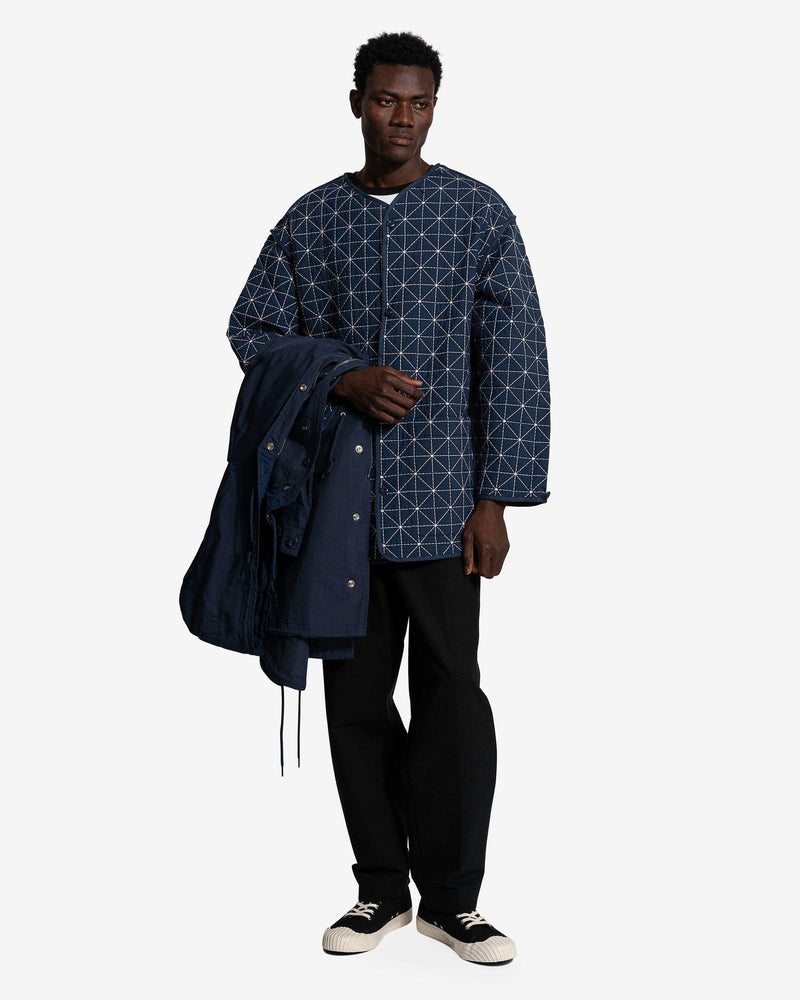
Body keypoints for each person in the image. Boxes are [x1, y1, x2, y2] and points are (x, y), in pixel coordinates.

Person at [225, 31, 551, 965]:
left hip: (446, 506)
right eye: (385, 99)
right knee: (355, 702)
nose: (401, 117)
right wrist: (342, 378)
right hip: (337, 509)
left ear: (434, 107)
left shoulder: (478, 213)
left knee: (453, 697)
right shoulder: (312, 218)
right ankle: (380, 891)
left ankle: (453, 902)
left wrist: (497, 499)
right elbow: (252, 328)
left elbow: (517, 358)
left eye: (418, 102)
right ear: (356, 102)